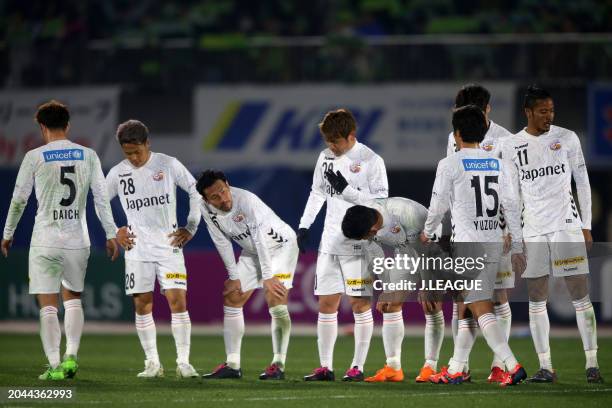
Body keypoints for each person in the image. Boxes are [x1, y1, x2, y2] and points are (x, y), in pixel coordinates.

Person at [1, 100, 119, 380]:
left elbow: (19, 200)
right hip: (78, 240)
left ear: (42, 126)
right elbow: (101, 199)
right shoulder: (88, 155)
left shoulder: (35, 156)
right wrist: (111, 233)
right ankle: (71, 356)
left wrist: (7, 234)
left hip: (45, 238)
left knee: (48, 305)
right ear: (67, 125)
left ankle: (54, 365)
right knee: (74, 300)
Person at [499, 85, 603, 384]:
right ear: (528, 112)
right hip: (532, 229)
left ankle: (592, 363)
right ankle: (546, 367)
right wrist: (514, 236)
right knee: (536, 297)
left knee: (579, 294)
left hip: (565, 226)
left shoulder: (567, 138)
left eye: (551, 111)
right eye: (543, 111)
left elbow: (581, 182)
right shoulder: (511, 146)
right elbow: (511, 196)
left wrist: (586, 225)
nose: (548, 116)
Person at [421, 105, 527, 386]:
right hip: (493, 244)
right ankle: (456, 367)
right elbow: (512, 207)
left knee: (479, 307)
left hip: (467, 245)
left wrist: (428, 231)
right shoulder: (499, 164)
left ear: (456, 134)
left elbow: (438, 205)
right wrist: (516, 244)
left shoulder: (450, 163)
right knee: (466, 307)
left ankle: (512, 365)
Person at [299, 109, 388, 382]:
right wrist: (304, 225)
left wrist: (347, 190)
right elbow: (317, 192)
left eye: (335, 141)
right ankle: (325, 367)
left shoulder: (371, 160)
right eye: (327, 141)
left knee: (360, 303)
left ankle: (357, 367)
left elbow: (380, 205)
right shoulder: (325, 157)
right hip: (330, 241)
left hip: (358, 243)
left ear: (351, 136)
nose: (331, 146)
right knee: (327, 303)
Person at [106, 120, 201, 378]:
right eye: (128, 153)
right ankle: (152, 363)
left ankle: (183, 362)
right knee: (142, 305)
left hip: (169, 244)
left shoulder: (168, 164)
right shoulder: (117, 173)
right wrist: (115, 230)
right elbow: (100, 201)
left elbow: (196, 191)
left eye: (137, 151)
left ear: (148, 143)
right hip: (137, 248)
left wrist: (191, 226)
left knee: (177, 301)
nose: (134, 158)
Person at [196, 170, 297, 380]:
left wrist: (268, 276)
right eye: (215, 197)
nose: (223, 199)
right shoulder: (204, 208)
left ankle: (278, 364)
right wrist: (233, 275)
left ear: (227, 183)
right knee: (232, 296)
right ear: (206, 199)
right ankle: (232, 365)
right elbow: (221, 240)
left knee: (275, 298)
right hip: (252, 251)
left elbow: (260, 238)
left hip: (281, 246)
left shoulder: (246, 201)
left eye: (223, 191)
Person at [446, 84, 515, 383]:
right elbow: (453, 184)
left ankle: (500, 364)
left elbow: (514, 192)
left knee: (498, 297)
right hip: (465, 233)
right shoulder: (454, 138)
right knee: (463, 300)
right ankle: (460, 367)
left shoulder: (506, 140)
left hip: (497, 231)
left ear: (487, 109)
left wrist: (511, 228)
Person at [341, 198, 444, 383]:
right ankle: (393, 367)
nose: (366, 239)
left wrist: (428, 286)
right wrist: (387, 288)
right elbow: (376, 256)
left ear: (372, 229)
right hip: (406, 252)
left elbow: (425, 251)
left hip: (434, 251)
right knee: (389, 304)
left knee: (431, 304)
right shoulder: (365, 225)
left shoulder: (405, 213)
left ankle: (430, 365)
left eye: (365, 236)